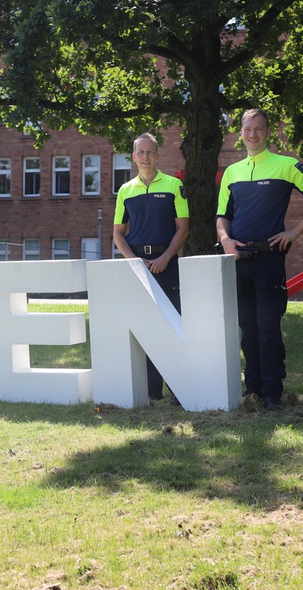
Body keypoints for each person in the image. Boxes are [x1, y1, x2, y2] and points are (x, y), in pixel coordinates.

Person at [216, 108, 303, 411]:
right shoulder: (232, 172)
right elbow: (221, 218)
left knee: (268, 328)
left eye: (259, 129)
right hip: (239, 262)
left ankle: (272, 393)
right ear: (240, 133)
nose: (253, 134)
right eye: (247, 129)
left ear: (268, 132)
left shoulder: (286, 165)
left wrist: (293, 232)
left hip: (269, 261)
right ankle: (251, 389)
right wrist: (225, 239)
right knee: (248, 329)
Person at [113, 133, 190, 405]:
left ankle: (179, 389)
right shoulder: (125, 191)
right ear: (133, 157)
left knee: (173, 325)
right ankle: (152, 391)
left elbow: (183, 228)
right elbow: (118, 234)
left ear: (158, 155)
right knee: (145, 327)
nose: (145, 156)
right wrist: (134, 262)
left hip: (166, 263)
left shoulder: (173, 185)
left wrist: (166, 257)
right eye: (140, 152)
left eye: (150, 152)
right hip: (137, 267)